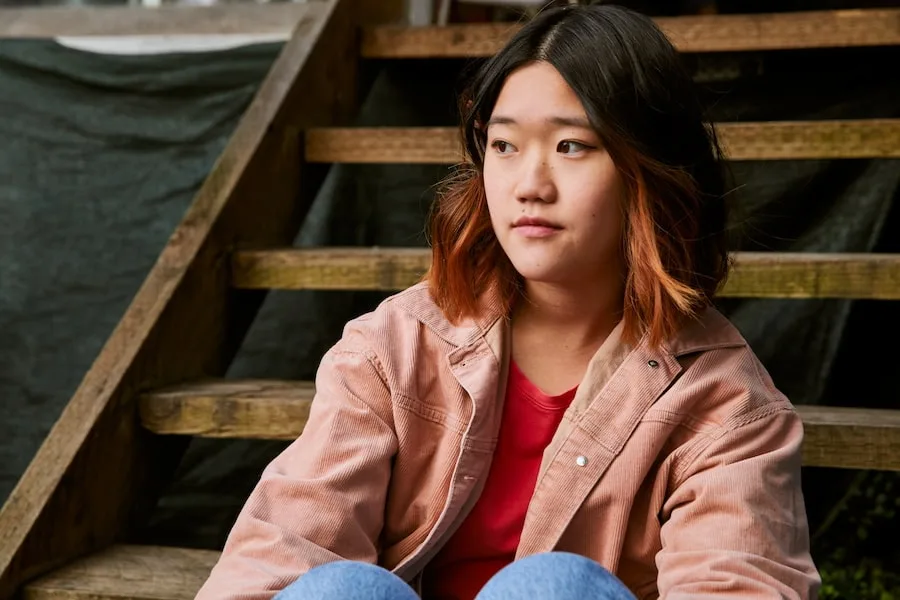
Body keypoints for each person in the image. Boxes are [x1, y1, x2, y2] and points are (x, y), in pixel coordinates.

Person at [195, 4, 821, 599]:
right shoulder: (396, 347)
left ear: (648, 170)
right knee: (343, 590)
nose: (529, 185)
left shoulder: (725, 407)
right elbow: (285, 544)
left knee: (553, 591)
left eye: (571, 145)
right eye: (504, 145)